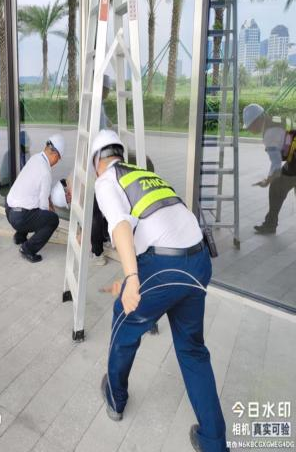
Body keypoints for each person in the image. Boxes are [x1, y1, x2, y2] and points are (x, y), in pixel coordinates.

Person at [93, 129, 228, 452]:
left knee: (124, 322)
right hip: (198, 261)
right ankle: (213, 442)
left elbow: (120, 225)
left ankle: (115, 397)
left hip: (165, 267)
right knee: (193, 350)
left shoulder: (107, 180)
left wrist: (132, 278)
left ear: (98, 160)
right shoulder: (146, 175)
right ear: (120, 154)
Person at [5, 134, 65, 263]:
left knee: (30, 204)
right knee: (52, 220)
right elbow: (43, 206)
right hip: (19, 218)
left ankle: (20, 236)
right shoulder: (45, 172)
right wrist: (51, 213)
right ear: (55, 155)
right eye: (58, 159)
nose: (57, 162)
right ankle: (27, 249)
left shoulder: (35, 158)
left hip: (9, 209)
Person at [243, 103, 296, 235]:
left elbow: (276, 165)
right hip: (293, 161)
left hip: (294, 163)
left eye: (249, 126)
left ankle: (270, 225)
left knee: (276, 185)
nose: (249, 129)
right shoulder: (275, 120)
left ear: (257, 120)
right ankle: (270, 224)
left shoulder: (270, 134)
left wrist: (267, 181)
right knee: (278, 184)